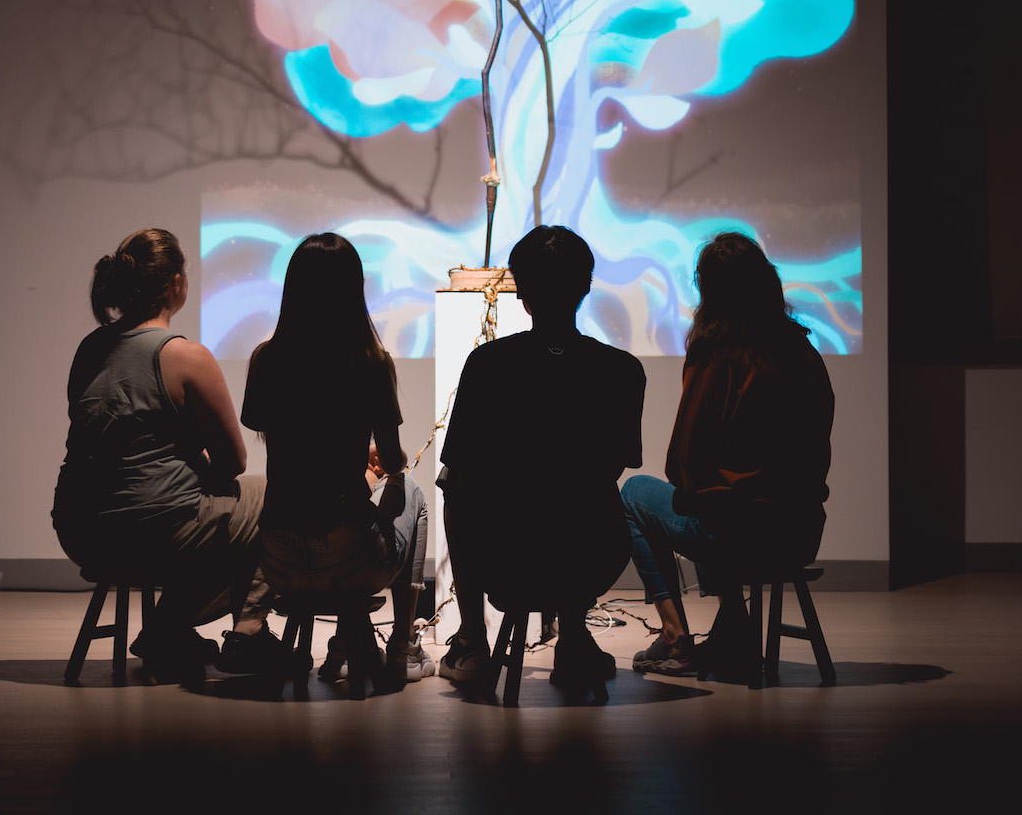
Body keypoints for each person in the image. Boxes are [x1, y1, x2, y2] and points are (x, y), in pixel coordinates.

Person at [50, 228, 280, 679]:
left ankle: (169, 630)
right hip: (150, 531)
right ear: (177, 283)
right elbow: (234, 462)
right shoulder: (186, 357)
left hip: (78, 529)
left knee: (210, 516)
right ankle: (247, 630)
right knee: (276, 497)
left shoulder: (90, 348)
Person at [435, 225, 645, 695]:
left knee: (453, 480)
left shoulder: (488, 365)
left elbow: (464, 468)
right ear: (585, 288)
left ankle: (472, 638)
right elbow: (611, 467)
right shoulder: (622, 370)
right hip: (592, 557)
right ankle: (573, 632)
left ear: (520, 294)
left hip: (505, 559)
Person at [620, 232, 834, 676]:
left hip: (736, 534)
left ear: (708, 291)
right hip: (799, 528)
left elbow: (684, 461)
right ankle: (733, 627)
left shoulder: (717, 355)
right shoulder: (804, 352)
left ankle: (676, 637)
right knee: (720, 499)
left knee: (637, 492)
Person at [239, 232, 434, 687]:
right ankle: (402, 643)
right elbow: (393, 458)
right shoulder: (370, 362)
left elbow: (292, 441)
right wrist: (386, 466)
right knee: (416, 494)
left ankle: (348, 639)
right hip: (349, 560)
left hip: (279, 559)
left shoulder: (267, 359)